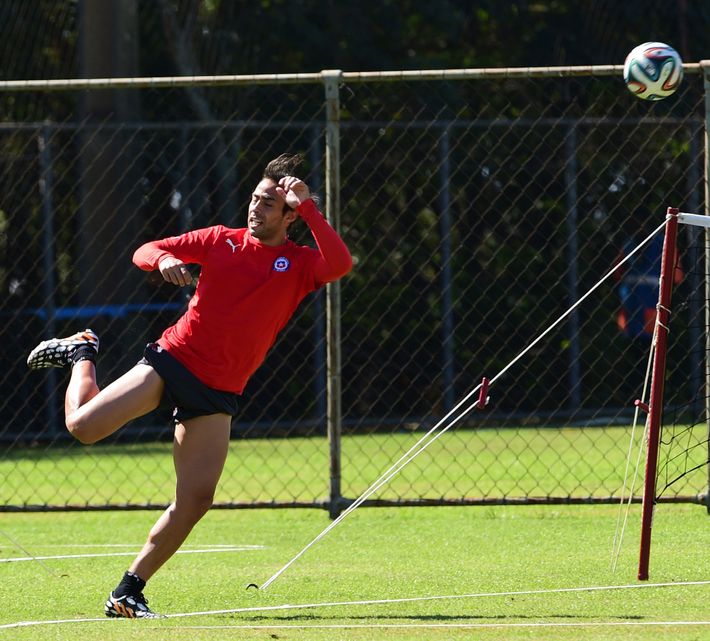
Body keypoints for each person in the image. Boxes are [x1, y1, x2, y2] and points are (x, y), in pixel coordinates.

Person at [26, 153, 352, 618]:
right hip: (175, 361)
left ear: (290, 217)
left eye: (268, 204)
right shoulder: (221, 240)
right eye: (255, 200)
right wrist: (165, 260)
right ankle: (82, 352)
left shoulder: (300, 264)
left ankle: (127, 592)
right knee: (82, 427)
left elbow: (339, 264)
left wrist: (311, 207)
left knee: (196, 499)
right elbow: (144, 250)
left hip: (219, 390)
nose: (256, 209)